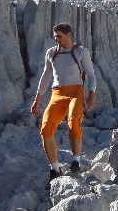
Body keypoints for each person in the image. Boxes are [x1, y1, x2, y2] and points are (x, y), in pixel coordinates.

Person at [30, 23, 97, 179]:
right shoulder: (51, 53)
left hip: (76, 91)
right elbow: (46, 76)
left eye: (60, 36)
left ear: (69, 35)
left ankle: (76, 162)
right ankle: (55, 169)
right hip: (57, 93)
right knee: (46, 129)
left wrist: (91, 95)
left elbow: (91, 75)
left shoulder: (81, 52)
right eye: (55, 37)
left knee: (74, 121)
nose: (57, 40)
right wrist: (37, 100)